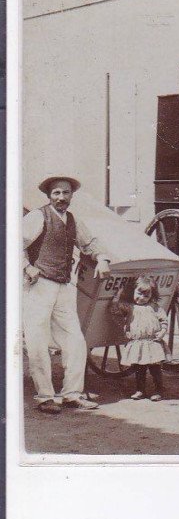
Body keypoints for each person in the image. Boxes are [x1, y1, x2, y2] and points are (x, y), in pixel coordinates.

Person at [23, 174, 111, 414]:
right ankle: (45, 397)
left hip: (63, 286)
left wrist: (102, 258)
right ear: (49, 196)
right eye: (57, 193)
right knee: (37, 342)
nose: (61, 198)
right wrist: (26, 266)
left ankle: (72, 394)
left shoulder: (72, 219)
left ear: (72, 195)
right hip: (38, 286)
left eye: (66, 193)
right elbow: (13, 242)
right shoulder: (37, 217)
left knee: (75, 341)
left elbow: (90, 242)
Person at [111, 275, 169, 401]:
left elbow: (163, 320)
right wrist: (125, 328)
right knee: (139, 368)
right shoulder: (130, 307)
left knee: (155, 368)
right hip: (138, 342)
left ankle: (158, 389)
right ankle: (140, 390)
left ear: (152, 296)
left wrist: (163, 331)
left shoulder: (154, 307)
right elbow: (115, 311)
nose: (141, 298)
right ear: (133, 291)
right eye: (139, 293)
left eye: (146, 296)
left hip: (152, 342)